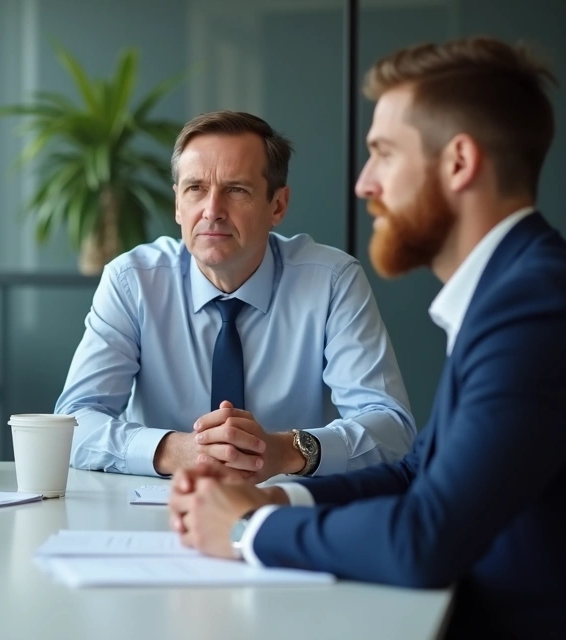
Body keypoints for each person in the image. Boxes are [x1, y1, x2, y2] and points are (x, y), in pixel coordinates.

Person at [169, 37, 564, 638]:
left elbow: (426, 540)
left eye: (382, 153)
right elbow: (419, 474)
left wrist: (248, 532)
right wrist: (276, 502)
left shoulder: (533, 307)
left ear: (459, 163)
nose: (363, 183)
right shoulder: (510, 291)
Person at [55, 110, 414, 482]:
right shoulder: (132, 281)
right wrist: (174, 450)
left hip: (286, 509)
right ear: (178, 203)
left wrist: (284, 451)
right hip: (155, 512)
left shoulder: (332, 281)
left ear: (278, 205)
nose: (212, 211)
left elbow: (392, 429)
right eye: (196, 188)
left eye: (236, 190)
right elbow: (74, 423)